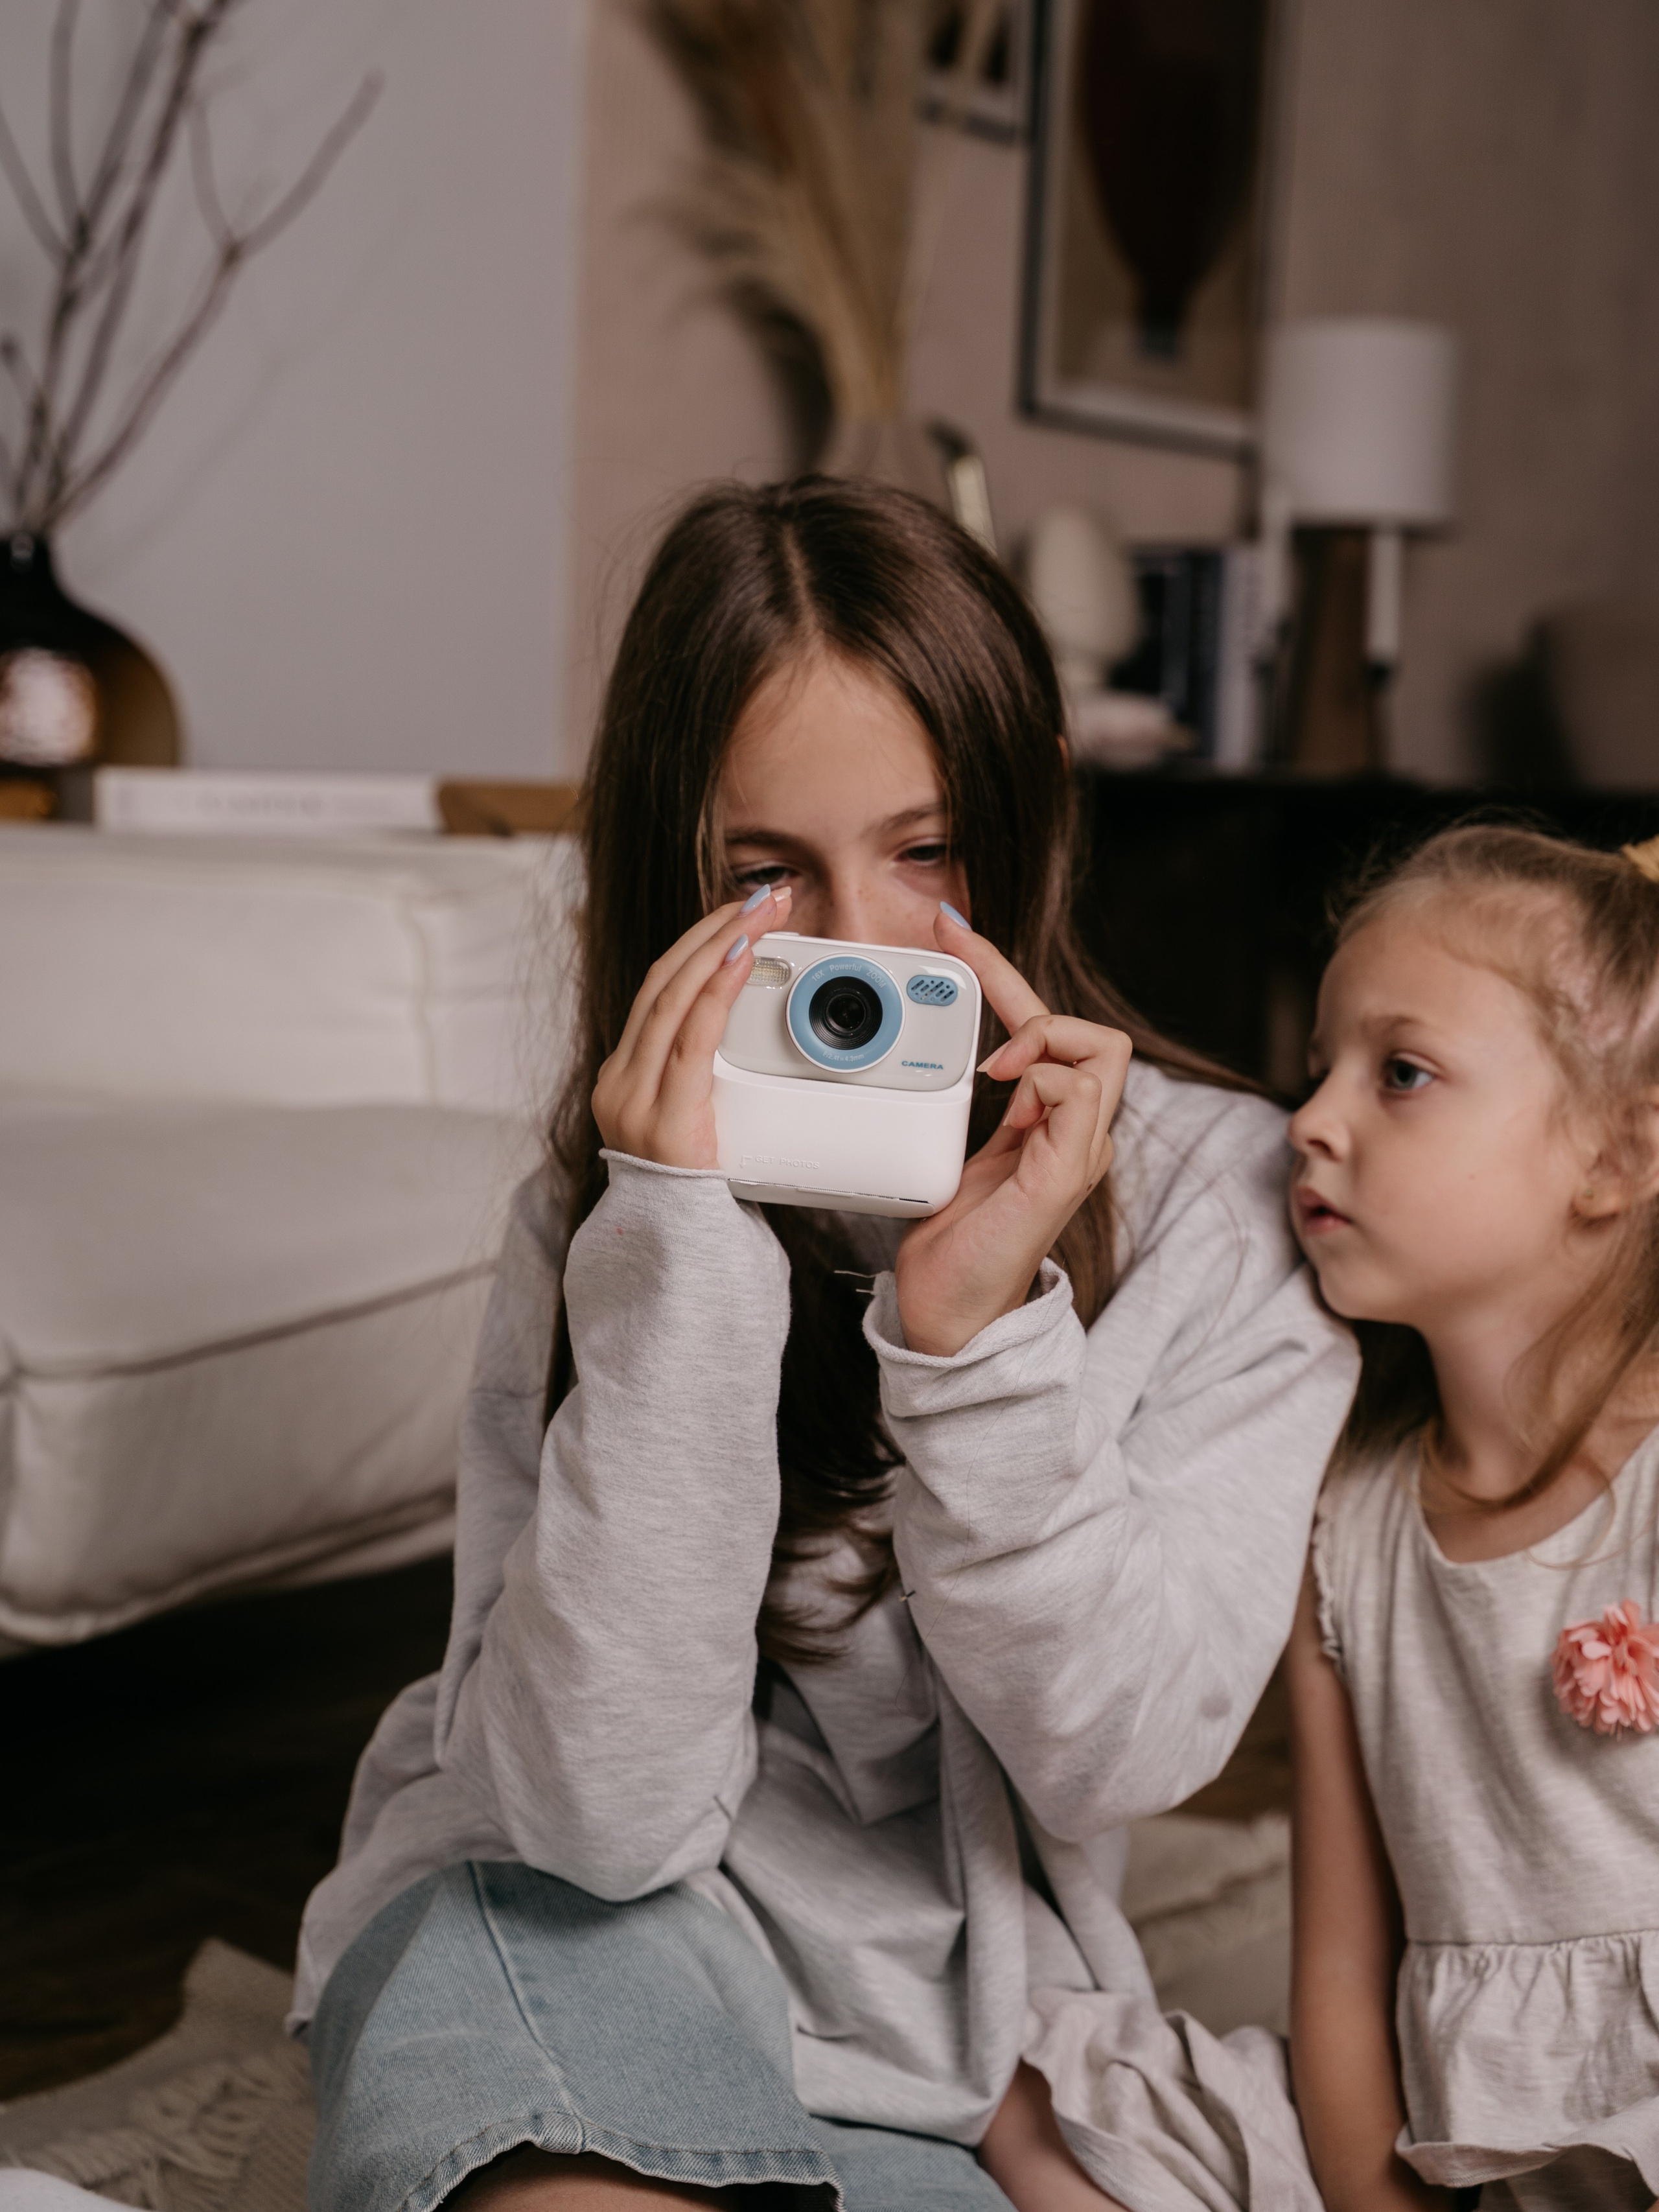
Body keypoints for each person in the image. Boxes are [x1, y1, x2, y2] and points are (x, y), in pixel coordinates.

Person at [292, 476, 1356, 2212]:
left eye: (928, 851)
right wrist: (682, 1236)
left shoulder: (1230, 1203)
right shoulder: (607, 1204)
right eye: (766, 872)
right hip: (565, 1915)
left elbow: (1118, 1751)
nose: (862, 944)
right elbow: (596, 1819)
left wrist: (979, 1336)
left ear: (1030, 826)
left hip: (958, 2023)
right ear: (673, 881)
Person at [1286, 824, 1659, 2212]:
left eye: (1397, 1073)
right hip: (1508, 2171)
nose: (1311, 1118)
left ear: (1617, 1155)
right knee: (1061, 2102)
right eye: (1316, 1066)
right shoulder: (1348, 1532)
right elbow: (1337, 1968)